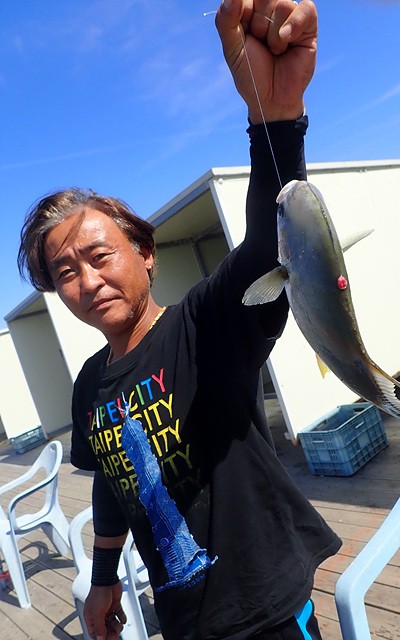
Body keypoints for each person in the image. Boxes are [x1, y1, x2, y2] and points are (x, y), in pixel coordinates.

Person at [18, 0, 341, 638]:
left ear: (144, 253)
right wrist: (103, 578)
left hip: (270, 614)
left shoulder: (205, 325)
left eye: (100, 257)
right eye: (65, 273)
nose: (87, 281)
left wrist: (276, 119)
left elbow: (267, 249)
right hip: (183, 623)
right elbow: (112, 482)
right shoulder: (90, 386)